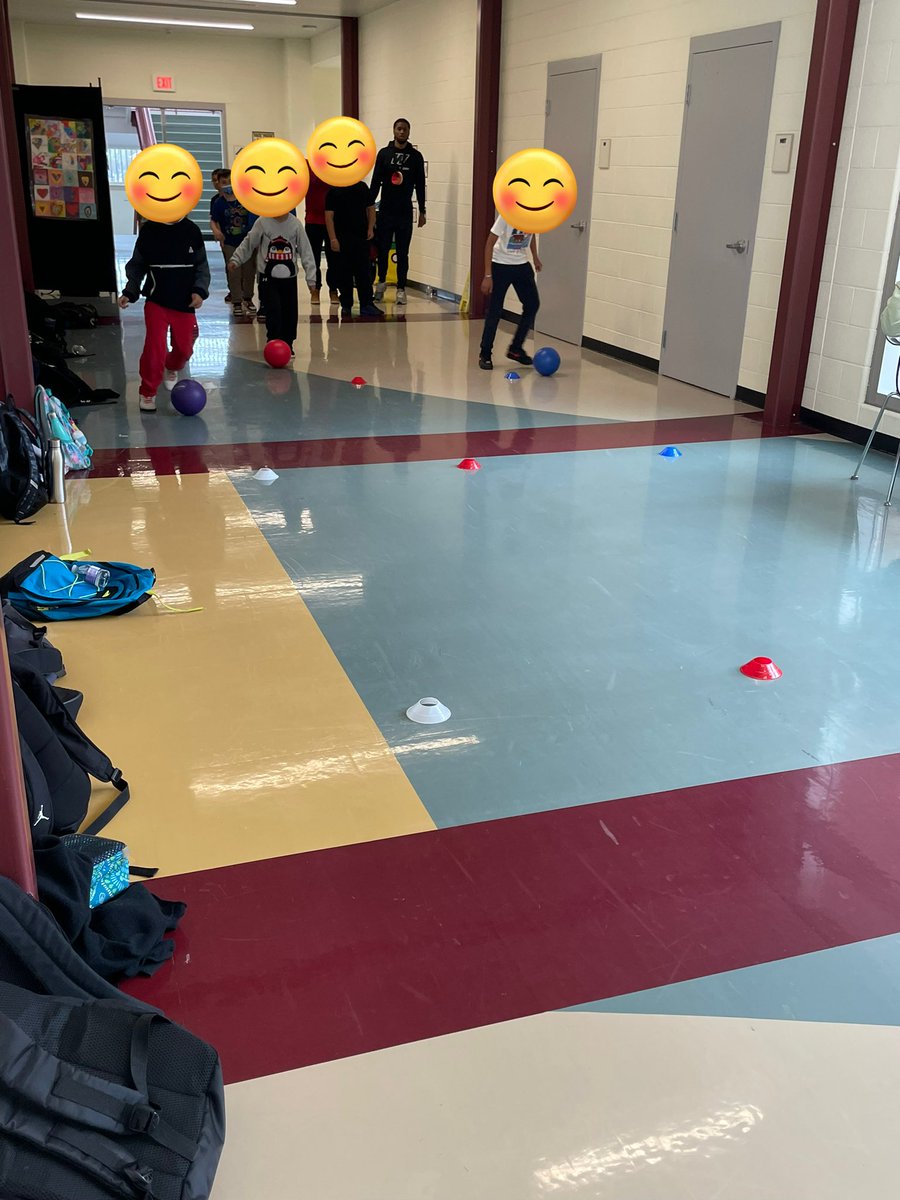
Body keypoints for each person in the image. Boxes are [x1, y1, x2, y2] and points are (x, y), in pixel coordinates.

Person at [118, 214, 209, 412]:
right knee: (154, 347)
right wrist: (130, 291)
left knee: (185, 348)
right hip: (157, 301)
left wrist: (199, 290)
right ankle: (148, 391)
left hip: (184, 303)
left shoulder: (192, 230)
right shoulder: (149, 231)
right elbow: (137, 265)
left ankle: (172, 366)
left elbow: (202, 266)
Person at [228, 209, 316, 355]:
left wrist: (311, 278)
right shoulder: (262, 222)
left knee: (289, 312)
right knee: (273, 310)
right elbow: (249, 242)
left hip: (289, 279)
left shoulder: (295, 224)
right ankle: (273, 340)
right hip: (267, 278)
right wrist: (236, 259)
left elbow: (305, 250)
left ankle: (288, 343)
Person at [369, 118, 426, 305]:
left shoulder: (416, 156)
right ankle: (381, 283)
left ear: (409, 132)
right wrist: (369, 206)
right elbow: (376, 181)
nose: (402, 132)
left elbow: (420, 185)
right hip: (386, 211)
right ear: (394, 131)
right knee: (383, 250)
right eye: (399, 129)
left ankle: (401, 288)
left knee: (403, 252)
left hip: (404, 213)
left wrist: (423, 210)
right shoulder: (384, 154)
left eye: (405, 129)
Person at [478, 214, 542, 371]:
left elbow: (531, 235)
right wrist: (488, 275)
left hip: (521, 265)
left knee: (532, 304)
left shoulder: (533, 216)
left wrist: (535, 257)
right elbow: (489, 243)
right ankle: (485, 353)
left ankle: (516, 349)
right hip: (501, 265)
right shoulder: (506, 216)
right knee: (495, 310)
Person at [325, 182, 383, 317]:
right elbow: (329, 216)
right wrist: (333, 238)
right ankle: (346, 304)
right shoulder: (334, 191)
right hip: (342, 238)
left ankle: (366, 304)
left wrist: (370, 228)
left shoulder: (362, 187)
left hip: (360, 237)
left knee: (363, 271)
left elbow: (371, 208)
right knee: (344, 273)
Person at [210, 169, 257, 317]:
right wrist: (216, 232)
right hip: (229, 241)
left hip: (247, 242)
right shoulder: (218, 203)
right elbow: (213, 220)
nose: (227, 185)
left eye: (230, 182)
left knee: (249, 271)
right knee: (233, 271)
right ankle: (236, 300)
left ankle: (247, 297)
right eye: (224, 183)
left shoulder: (246, 199)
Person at [304, 162, 339, 306]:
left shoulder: (335, 166)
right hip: (313, 220)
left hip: (332, 221)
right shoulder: (307, 166)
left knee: (334, 258)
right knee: (314, 259)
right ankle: (315, 289)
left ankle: (333, 290)